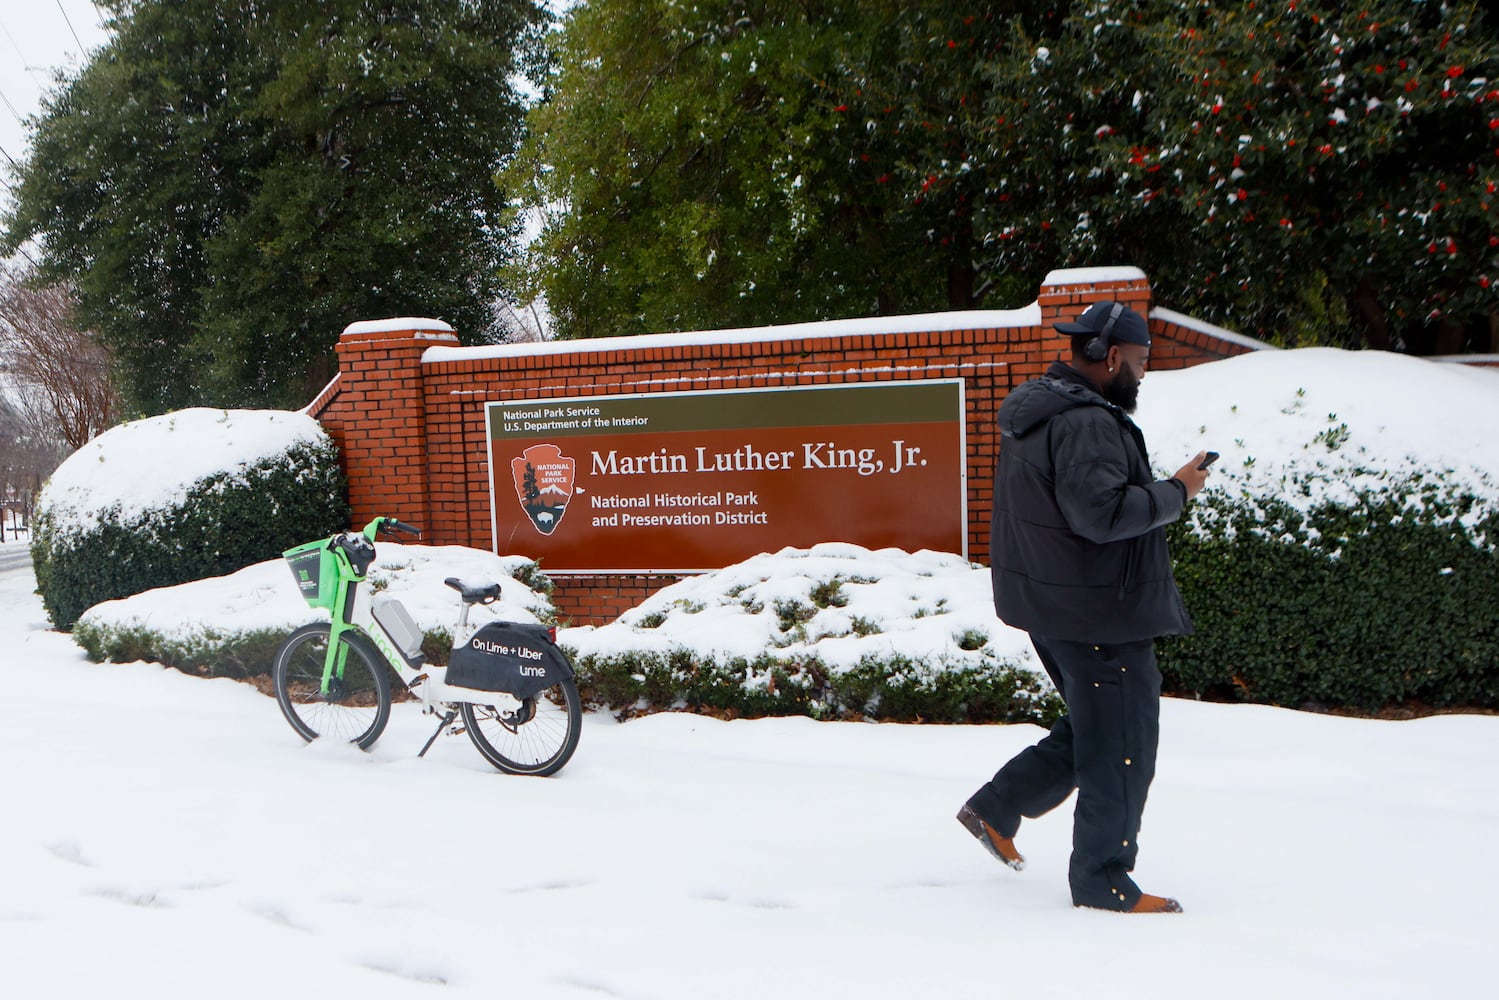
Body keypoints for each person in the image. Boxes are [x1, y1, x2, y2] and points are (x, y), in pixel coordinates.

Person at [956, 300, 1212, 914]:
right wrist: (1177, 490)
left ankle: (997, 807)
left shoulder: (1044, 408)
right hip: (1099, 613)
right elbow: (1102, 515)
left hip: (1059, 606)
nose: (1144, 374)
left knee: (1101, 728)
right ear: (1113, 356)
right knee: (1123, 743)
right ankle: (1103, 883)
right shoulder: (1087, 423)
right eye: (1143, 361)